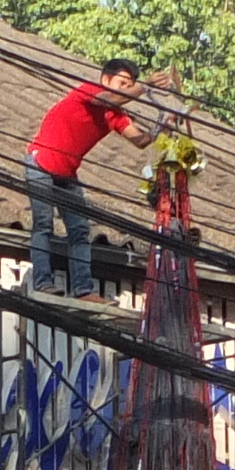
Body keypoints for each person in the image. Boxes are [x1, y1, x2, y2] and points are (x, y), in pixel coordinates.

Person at [24, 58, 151, 296]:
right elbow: (108, 98)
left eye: (128, 84)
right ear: (105, 80)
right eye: (121, 83)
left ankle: (83, 289)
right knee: (43, 225)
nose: (124, 89)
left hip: (67, 172)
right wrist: (146, 87)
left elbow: (140, 140)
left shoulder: (114, 114)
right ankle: (43, 282)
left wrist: (163, 128)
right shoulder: (89, 91)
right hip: (40, 162)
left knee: (80, 230)